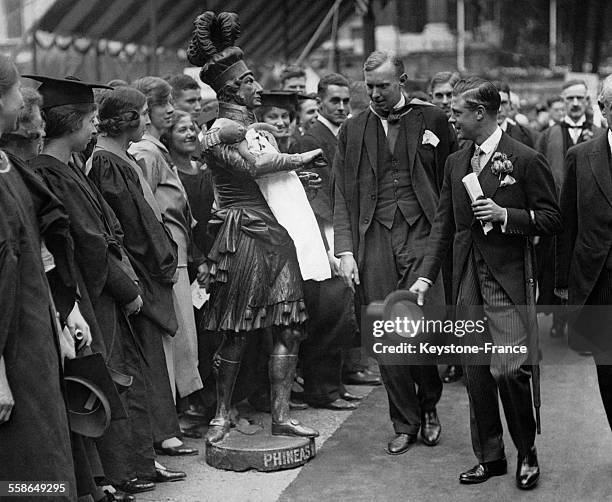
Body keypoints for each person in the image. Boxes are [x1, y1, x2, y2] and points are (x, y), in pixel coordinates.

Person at [410, 77, 562, 489]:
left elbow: (551, 219)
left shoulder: (525, 159)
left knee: (510, 369)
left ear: (481, 112)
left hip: (507, 281)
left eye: (457, 112)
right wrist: (425, 276)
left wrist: (506, 216)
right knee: (476, 371)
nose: (451, 118)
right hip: (466, 280)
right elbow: (443, 225)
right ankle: (491, 457)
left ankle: (526, 449)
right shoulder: (456, 162)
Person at [186, 10, 327, 443]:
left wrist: (296, 178)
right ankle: (221, 415)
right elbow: (254, 167)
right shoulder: (221, 128)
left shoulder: (248, 125)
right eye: (250, 81)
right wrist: (301, 158)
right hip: (241, 234)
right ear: (232, 88)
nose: (258, 87)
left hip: (273, 231)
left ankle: (281, 415)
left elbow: (265, 174)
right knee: (236, 332)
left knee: (288, 326)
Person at [26, 74, 157, 494]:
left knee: (119, 377)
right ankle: (114, 476)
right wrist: (127, 289)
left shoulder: (67, 168)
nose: (95, 127)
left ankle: (126, 471)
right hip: (91, 292)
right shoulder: (52, 173)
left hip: (98, 289)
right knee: (107, 378)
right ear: (71, 124)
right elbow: (90, 241)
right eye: (89, 120)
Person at [333, 50, 455, 455]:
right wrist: (345, 251)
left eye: (383, 86)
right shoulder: (352, 129)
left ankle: (429, 405)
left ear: (401, 81)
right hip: (375, 237)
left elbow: (451, 179)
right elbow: (341, 194)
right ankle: (405, 422)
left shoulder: (433, 120)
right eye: (369, 87)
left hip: (423, 233)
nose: (375, 94)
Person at [87, 86, 197, 473]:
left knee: (154, 354)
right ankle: (156, 438)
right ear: (128, 119)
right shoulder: (107, 162)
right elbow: (134, 227)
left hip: (148, 268)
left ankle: (161, 434)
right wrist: (160, 262)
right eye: (144, 113)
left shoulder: (121, 157)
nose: (149, 120)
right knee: (146, 355)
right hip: (140, 271)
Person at [0, 55, 78, 501]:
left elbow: (30, 256)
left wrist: (58, 320)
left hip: (33, 334)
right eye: (15, 91)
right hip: (12, 350)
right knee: (27, 469)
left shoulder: (8, 168)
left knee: (45, 460)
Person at [129, 76, 204, 416]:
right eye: (164, 105)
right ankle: (177, 414)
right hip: (168, 257)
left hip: (177, 253)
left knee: (186, 338)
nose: (172, 110)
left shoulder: (156, 150)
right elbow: (145, 210)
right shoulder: (146, 152)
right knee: (179, 337)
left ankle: (182, 410)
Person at [293, 73, 362, 410]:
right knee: (327, 312)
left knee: (342, 310)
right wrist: (333, 241)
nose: (341, 107)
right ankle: (321, 389)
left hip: (343, 227)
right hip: (325, 232)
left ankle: (334, 383)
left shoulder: (344, 133)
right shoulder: (310, 140)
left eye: (346, 101)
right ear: (318, 101)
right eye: (335, 101)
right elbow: (315, 194)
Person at [556, 74, 612, 433]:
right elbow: (568, 224)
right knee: (608, 368)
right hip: (600, 279)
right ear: (604, 110)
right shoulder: (580, 157)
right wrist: (562, 282)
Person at [536, 80, 605, 338]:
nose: (575, 104)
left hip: (591, 217)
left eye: (580, 99)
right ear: (563, 102)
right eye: (570, 99)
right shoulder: (548, 135)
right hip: (559, 215)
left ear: (588, 102)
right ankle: (558, 317)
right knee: (558, 265)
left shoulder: (601, 134)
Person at [495, 82, 539, 148]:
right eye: (495, 103)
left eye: (503, 103)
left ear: (510, 105)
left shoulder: (525, 136)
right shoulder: (476, 136)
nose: (499, 109)